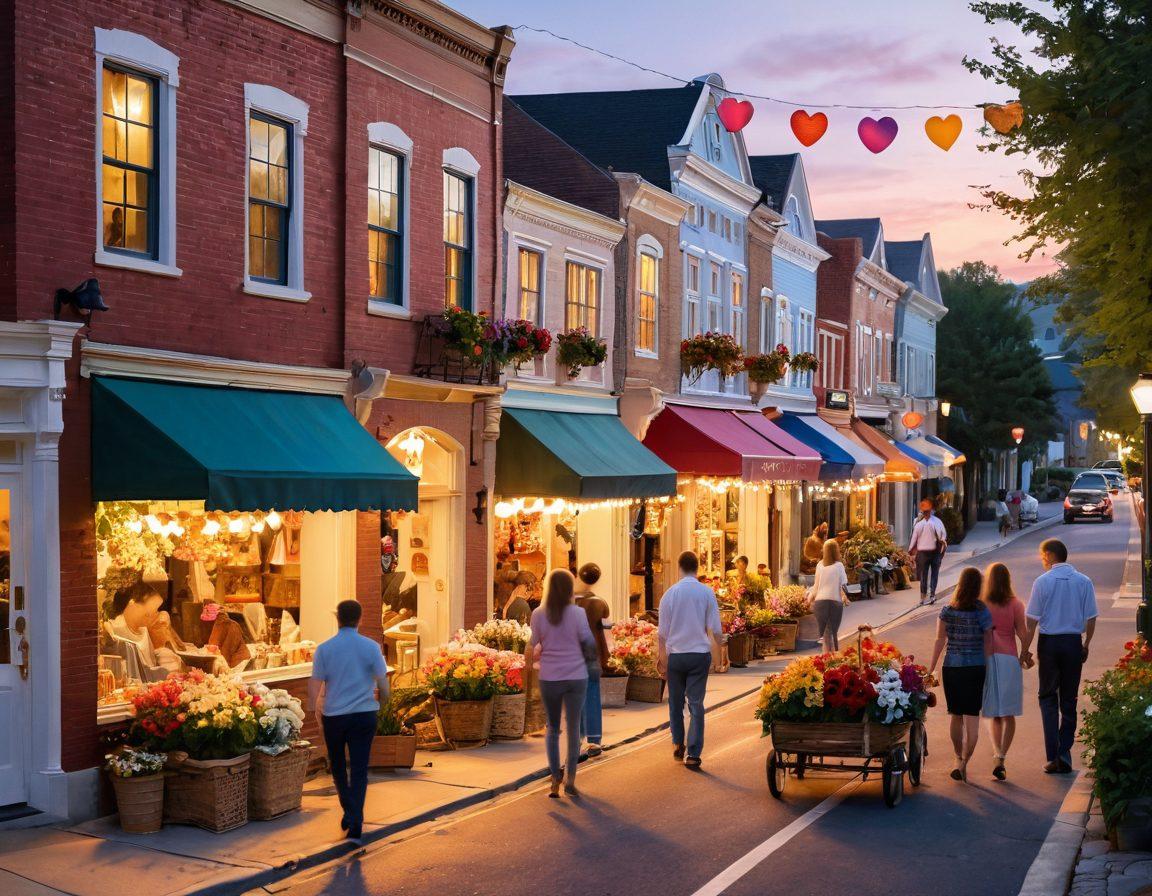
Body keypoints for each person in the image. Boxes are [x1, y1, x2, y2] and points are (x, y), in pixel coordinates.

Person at [309, 599, 390, 843]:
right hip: (364, 714)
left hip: (334, 716)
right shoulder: (372, 647)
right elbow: (383, 683)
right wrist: (384, 703)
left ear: (338, 618)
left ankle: (350, 811)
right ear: (360, 619)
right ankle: (355, 818)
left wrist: (314, 711)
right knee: (359, 768)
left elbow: (315, 685)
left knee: (337, 767)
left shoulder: (324, 649)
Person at [1018, 539, 1097, 774]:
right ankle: (1064, 752)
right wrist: (1086, 644)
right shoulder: (1084, 581)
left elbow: (1031, 621)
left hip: (1049, 644)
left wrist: (1025, 650)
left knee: (1047, 697)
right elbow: (1091, 617)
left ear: (1051, 555)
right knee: (1069, 699)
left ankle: (1053, 755)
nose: (1042, 560)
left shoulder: (1042, 582)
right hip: (1073, 642)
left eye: (1043, 556)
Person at [528, 569, 596, 798]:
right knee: (574, 729)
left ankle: (555, 779)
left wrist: (530, 665)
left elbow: (532, 644)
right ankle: (571, 780)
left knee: (553, 728)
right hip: (576, 676)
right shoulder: (578, 613)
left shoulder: (538, 614)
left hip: (550, 677)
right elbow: (588, 642)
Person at [657, 551, 723, 769]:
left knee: (675, 703)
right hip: (699, 655)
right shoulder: (706, 592)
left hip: (676, 656)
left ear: (679, 567)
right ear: (697, 568)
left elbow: (662, 634)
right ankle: (694, 753)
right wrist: (720, 652)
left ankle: (678, 743)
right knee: (696, 704)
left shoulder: (669, 594)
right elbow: (715, 629)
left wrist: (662, 659)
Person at [927, 567, 994, 783]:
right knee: (972, 718)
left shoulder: (947, 610)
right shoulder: (982, 611)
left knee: (956, 715)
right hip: (976, 668)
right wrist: (991, 668)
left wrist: (930, 669)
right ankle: (964, 762)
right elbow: (989, 642)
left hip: (952, 668)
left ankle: (957, 758)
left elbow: (939, 640)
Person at [980, 562, 1030, 780]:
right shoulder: (1016, 604)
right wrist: (1024, 655)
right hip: (1009, 660)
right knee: (1008, 713)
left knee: (994, 713)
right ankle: (1001, 757)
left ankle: (996, 751)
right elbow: (1024, 634)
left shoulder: (982, 604)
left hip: (988, 659)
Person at [575, 563, 611, 758]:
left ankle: (577, 740)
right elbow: (606, 623)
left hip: (575, 655)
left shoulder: (570, 603)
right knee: (593, 696)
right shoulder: (599, 603)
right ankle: (594, 740)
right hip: (593, 655)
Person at [808, 539, 849, 652]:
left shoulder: (819, 565)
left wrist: (809, 599)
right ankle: (833, 655)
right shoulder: (839, 566)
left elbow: (816, 586)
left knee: (826, 632)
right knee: (832, 631)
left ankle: (826, 655)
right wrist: (844, 597)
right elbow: (842, 584)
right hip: (835, 602)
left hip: (820, 602)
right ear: (836, 551)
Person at [909, 499, 948, 605]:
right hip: (928, 552)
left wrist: (910, 551)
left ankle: (928, 595)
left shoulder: (922, 523)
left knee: (927, 574)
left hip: (930, 552)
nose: (926, 512)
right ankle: (927, 595)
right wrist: (911, 551)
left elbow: (914, 539)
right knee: (927, 575)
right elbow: (943, 535)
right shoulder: (926, 522)